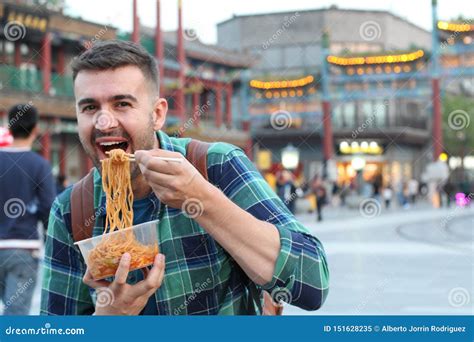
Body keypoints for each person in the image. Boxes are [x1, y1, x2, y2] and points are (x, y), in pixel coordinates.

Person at [40, 40, 329, 315]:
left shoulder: (217, 166)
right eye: (90, 107)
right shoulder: (71, 210)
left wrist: (201, 198)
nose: (104, 121)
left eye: (122, 104)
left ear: (157, 114)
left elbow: (313, 282)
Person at [0, 104, 56, 315]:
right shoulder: (39, 165)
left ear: (9, 127)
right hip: (24, 248)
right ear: (35, 130)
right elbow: (47, 209)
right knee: (16, 315)